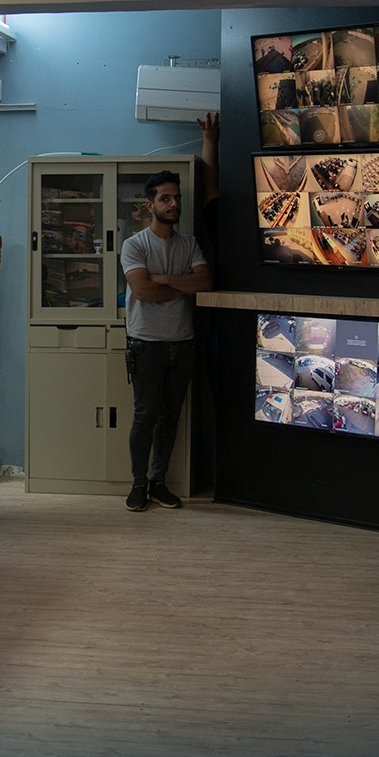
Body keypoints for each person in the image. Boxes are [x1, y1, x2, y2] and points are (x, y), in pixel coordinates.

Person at [119, 169, 211, 512]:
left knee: (170, 418)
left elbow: (204, 283)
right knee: (144, 417)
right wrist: (179, 283)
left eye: (177, 198)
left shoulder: (189, 244)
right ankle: (138, 484)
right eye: (165, 198)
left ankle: (159, 482)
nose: (174, 204)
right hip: (145, 344)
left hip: (182, 343)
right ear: (150, 205)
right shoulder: (134, 245)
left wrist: (163, 279)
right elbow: (143, 291)